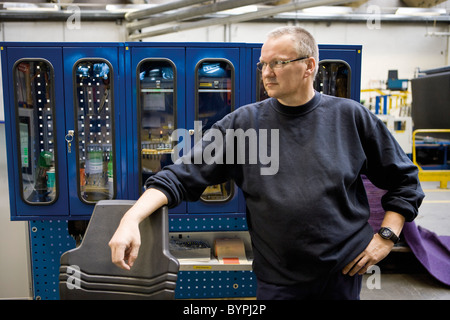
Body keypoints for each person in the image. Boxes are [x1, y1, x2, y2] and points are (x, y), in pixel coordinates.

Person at [109, 26, 424, 300]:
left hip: (342, 275)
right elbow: (180, 176)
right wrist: (130, 219)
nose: (267, 73)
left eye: (278, 63)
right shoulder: (244, 124)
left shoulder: (351, 117)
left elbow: (404, 180)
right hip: (278, 281)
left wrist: (386, 238)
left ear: (309, 66)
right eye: (263, 65)